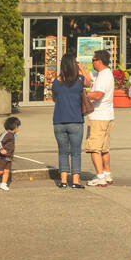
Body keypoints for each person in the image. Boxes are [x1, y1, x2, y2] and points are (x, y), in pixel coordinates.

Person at [52, 52, 87, 189]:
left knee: (62, 152)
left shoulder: (56, 82)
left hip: (59, 122)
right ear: (74, 65)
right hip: (76, 121)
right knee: (76, 152)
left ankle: (63, 181)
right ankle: (76, 181)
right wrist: (81, 67)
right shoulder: (79, 81)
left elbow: (54, 98)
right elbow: (89, 80)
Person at [85, 48, 115, 186]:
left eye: (93, 60)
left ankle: (100, 176)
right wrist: (79, 67)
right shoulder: (104, 73)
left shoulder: (103, 76)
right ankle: (107, 174)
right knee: (104, 149)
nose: (92, 62)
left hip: (98, 117)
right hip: (108, 116)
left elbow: (98, 95)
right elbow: (88, 76)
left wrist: (83, 94)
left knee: (94, 148)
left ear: (100, 61)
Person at [0, 117, 21, 191]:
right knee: (0, 171)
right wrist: (1, 149)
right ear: (15, 127)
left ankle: (3, 184)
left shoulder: (12, 134)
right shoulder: (6, 134)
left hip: (9, 157)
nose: (18, 129)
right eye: (18, 127)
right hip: (1, 157)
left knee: (7, 171)